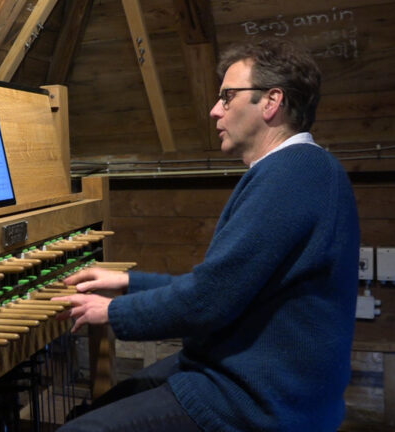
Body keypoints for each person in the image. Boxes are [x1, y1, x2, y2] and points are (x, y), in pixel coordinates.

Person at [55, 38, 360, 432]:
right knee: (88, 414)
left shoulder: (294, 175)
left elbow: (209, 301)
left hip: (257, 401)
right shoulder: (298, 169)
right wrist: (129, 282)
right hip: (243, 373)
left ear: (271, 101)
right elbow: (225, 285)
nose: (215, 110)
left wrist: (111, 311)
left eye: (228, 96)